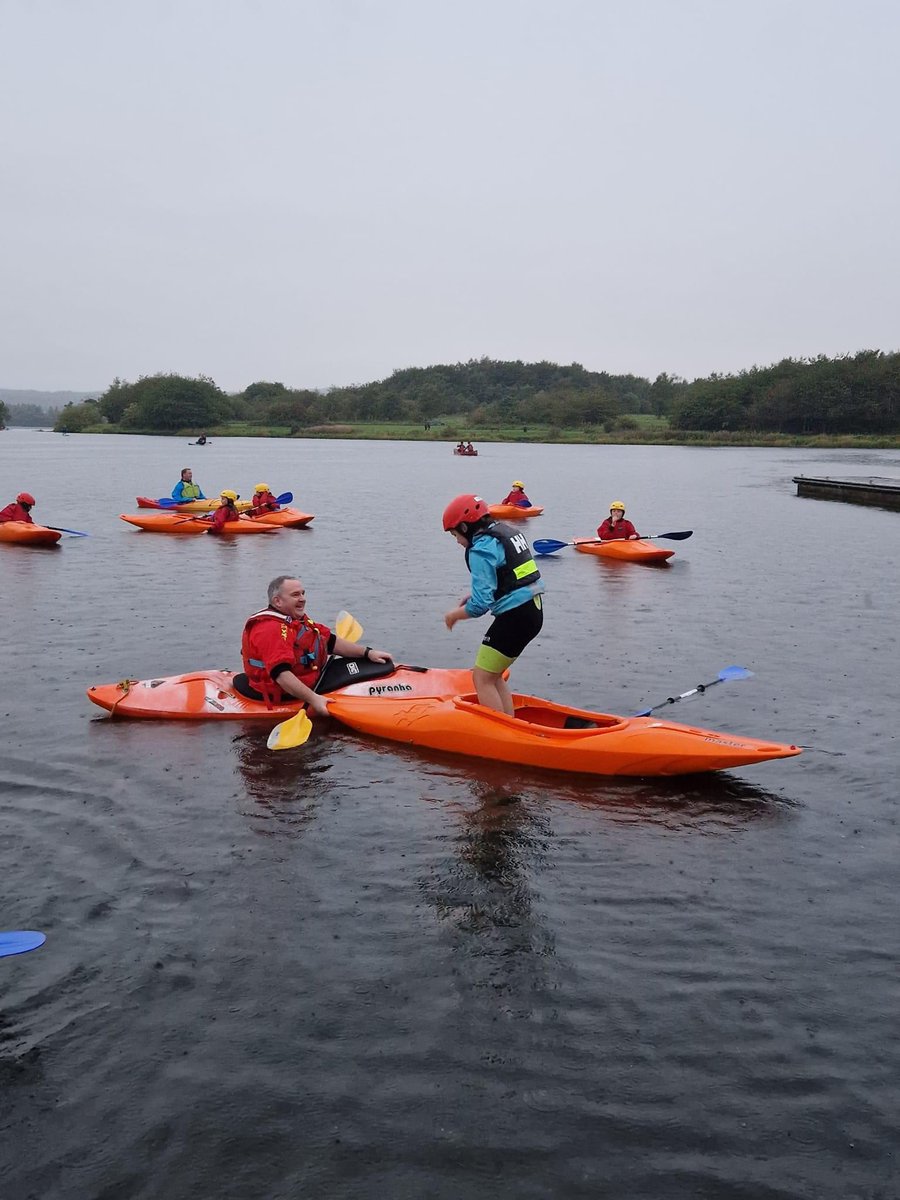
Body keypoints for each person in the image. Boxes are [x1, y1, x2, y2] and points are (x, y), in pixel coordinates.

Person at [442, 493, 545, 715]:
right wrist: (475, 595)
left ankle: (502, 733)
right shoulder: (506, 533)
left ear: (465, 527)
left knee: (481, 678)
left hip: (515, 617)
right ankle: (510, 723)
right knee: (493, 675)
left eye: (455, 535)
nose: (458, 542)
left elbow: (480, 606)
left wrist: (454, 615)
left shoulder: (481, 548)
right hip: (533, 611)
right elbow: (510, 577)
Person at [241, 576, 392, 715]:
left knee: (371, 666)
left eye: (303, 593)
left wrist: (367, 653)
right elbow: (281, 675)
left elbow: (330, 641)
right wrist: (314, 699)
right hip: (282, 693)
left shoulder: (295, 620)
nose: (303, 599)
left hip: (311, 677)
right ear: (277, 601)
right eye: (295, 595)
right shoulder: (270, 629)